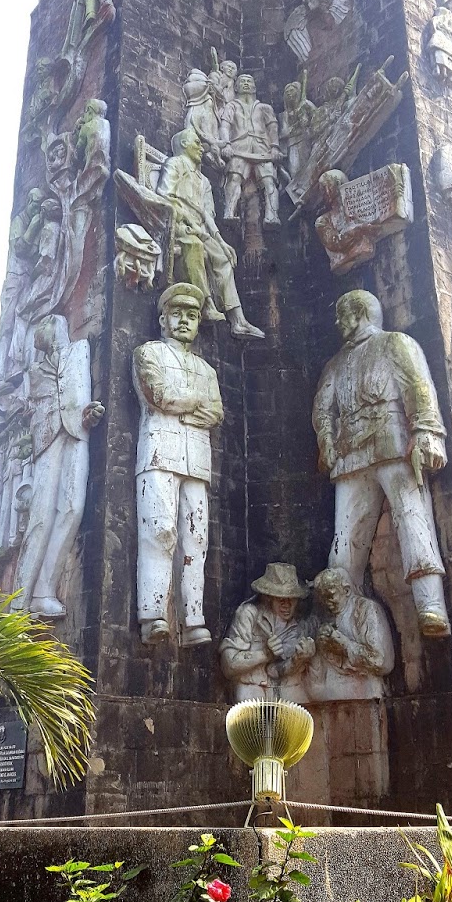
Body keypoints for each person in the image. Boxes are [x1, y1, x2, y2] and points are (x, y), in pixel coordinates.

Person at [313, 290, 450, 638]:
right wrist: (327, 442)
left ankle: (430, 605)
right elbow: (322, 409)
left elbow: (418, 388)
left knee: (413, 519)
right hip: (350, 454)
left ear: (359, 313)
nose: (337, 322)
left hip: (392, 442)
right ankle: (342, 621)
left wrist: (425, 432)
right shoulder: (334, 364)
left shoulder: (395, 344)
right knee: (345, 540)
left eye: (342, 314)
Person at [133, 284, 223, 646]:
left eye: (192, 315)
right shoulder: (148, 353)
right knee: (160, 530)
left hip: (197, 458)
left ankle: (193, 616)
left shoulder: (206, 369)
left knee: (196, 538)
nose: (185, 321)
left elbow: (216, 412)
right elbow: (159, 396)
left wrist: (188, 406)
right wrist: (194, 405)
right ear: (163, 319)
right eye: (178, 314)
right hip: (158, 452)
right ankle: (153, 612)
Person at [13, 315, 104, 617]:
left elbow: (80, 394)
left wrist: (89, 413)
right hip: (47, 438)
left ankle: (43, 591)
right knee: (40, 516)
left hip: (78, 432)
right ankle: (18, 601)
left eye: (52, 333)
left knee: (72, 508)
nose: (52, 339)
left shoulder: (80, 351)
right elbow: (30, 411)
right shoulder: (34, 372)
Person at [155, 127, 265, 339]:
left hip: (200, 228)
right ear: (184, 145)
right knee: (194, 246)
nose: (201, 147)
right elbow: (164, 196)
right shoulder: (175, 164)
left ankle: (238, 320)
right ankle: (205, 303)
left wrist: (221, 242)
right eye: (196, 142)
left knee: (224, 257)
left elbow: (207, 216)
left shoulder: (203, 181)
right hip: (178, 223)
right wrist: (185, 219)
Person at [220, 563, 317, 702]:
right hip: (250, 685)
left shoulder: (294, 627)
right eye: (281, 598)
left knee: (302, 712)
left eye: (292, 599)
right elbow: (229, 665)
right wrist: (265, 654)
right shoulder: (248, 613)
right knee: (251, 714)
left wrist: (298, 659)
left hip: (280, 687)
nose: (287, 605)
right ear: (269, 597)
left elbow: (275, 671)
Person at [304, 567, 396, 701]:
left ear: (346, 591)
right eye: (322, 598)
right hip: (332, 693)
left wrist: (345, 645)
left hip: (366, 692)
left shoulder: (367, 610)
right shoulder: (324, 616)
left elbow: (381, 662)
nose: (326, 603)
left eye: (330, 596)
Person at [220, 72, 283, 225]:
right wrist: (226, 144)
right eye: (242, 81)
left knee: (269, 180)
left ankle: (272, 216)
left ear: (254, 87)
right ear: (236, 87)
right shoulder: (231, 106)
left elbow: (272, 127)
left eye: (249, 81)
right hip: (239, 147)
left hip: (262, 149)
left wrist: (275, 147)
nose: (246, 83)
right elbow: (225, 125)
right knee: (234, 177)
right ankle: (229, 211)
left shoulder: (264, 107)